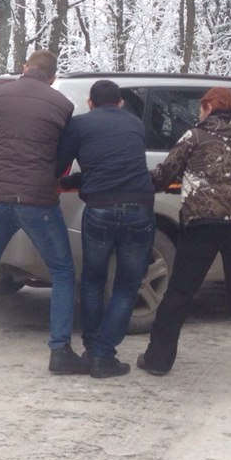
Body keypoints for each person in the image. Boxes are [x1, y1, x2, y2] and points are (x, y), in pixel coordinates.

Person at [135, 86, 231, 390]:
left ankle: (158, 359)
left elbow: (166, 174)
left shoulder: (195, 135)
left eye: (201, 108)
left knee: (180, 293)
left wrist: (134, 181)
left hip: (203, 222)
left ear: (207, 107)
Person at [0, 50, 82, 373]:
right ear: (52, 77)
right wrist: (55, 180)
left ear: (25, 68)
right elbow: (63, 155)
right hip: (39, 202)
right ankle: (60, 350)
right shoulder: (62, 106)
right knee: (63, 271)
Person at [55, 80, 155, 379]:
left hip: (99, 209)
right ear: (121, 102)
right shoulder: (136, 124)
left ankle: (92, 349)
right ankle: (104, 354)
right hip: (139, 208)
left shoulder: (79, 125)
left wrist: (64, 182)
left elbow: (61, 164)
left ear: (90, 102)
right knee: (126, 285)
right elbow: (120, 166)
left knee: (93, 280)